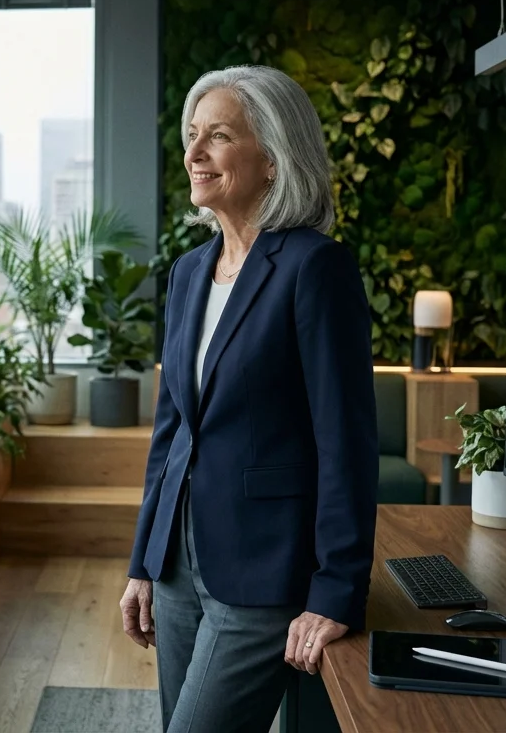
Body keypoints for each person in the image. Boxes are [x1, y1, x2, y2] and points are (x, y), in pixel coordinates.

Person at [120, 65, 379, 733]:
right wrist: (145, 562)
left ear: (272, 159)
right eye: (192, 136)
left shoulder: (314, 268)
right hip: (179, 565)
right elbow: (172, 430)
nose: (194, 153)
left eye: (219, 137)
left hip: (265, 571)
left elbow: (345, 444)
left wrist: (336, 592)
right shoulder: (187, 272)